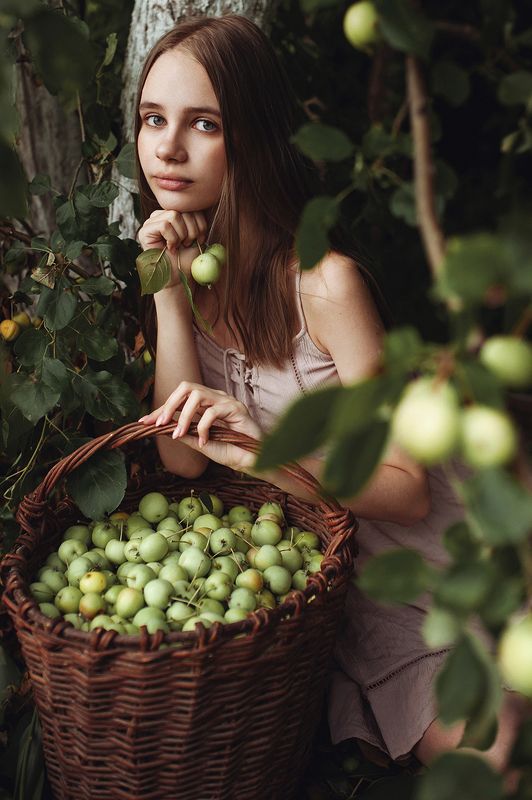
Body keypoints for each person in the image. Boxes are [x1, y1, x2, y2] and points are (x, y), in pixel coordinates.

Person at [135, 13, 524, 780]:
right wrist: (168, 294)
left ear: (250, 136)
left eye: (202, 123)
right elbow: (178, 457)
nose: (167, 148)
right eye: (153, 119)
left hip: (442, 551)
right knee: (488, 758)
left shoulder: (324, 284)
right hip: (360, 593)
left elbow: (410, 492)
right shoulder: (185, 265)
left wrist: (264, 448)